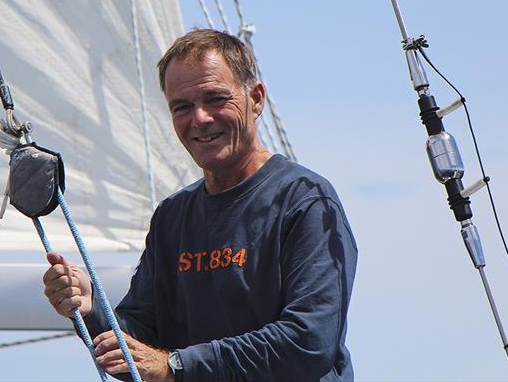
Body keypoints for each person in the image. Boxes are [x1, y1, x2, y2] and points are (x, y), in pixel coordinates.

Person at [43, 29, 357, 381]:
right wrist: (90, 308)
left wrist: (177, 366)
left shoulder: (305, 200)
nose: (200, 118)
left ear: (256, 98)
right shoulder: (171, 218)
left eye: (215, 98)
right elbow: (141, 351)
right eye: (183, 107)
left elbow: (308, 342)